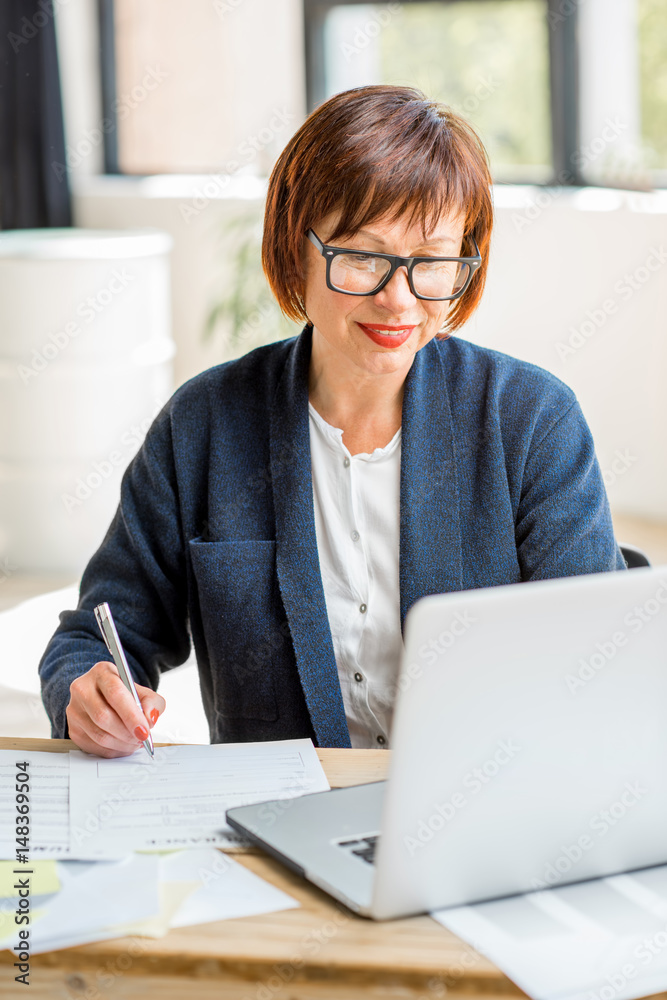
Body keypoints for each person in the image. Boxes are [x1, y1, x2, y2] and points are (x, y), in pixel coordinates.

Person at [39, 85, 626, 758]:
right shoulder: (203, 426)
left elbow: (595, 659)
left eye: (431, 261)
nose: (398, 299)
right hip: (281, 822)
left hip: (483, 809)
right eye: (364, 257)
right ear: (296, 252)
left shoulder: (530, 421)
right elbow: (96, 633)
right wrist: (89, 691)